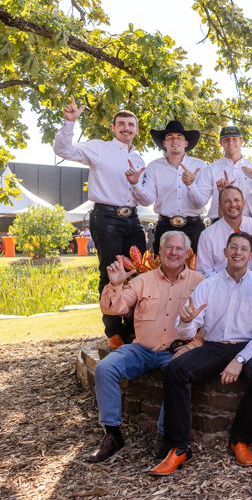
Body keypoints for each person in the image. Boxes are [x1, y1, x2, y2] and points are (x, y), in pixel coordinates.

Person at [149, 232, 252, 475]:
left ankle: (240, 439)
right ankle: (179, 447)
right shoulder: (208, 285)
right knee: (176, 370)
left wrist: (239, 360)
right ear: (225, 252)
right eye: (233, 247)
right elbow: (186, 326)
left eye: (243, 249)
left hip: (248, 346)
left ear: (251, 256)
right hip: (214, 346)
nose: (238, 252)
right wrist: (187, 323)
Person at [90, 231, 203, 463]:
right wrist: (115, 284)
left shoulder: (200, 282)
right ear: (159, 252)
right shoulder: (142, 280)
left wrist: (195, 344)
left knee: (177, 375)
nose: (173, 252)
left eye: (178, 249)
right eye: (168, 248)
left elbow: (210, 321)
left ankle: (165, 435)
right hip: (141, 349)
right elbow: (116, 309)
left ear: (187, 253)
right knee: (105, 369)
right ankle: (112, 434)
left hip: (175, 351)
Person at [54, 96, 146, 349]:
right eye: (122, 124)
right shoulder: (98, 148)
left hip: (133, 218)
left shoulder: (139, 159)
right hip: (107, 217)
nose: (127, 128)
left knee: (140, 272)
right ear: (114, 128)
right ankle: (114, 332)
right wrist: (69, 123)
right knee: (111, 273)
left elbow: (143, 194)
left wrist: (137, 184)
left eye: (131, 125)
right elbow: (64, 150)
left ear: (136, 130)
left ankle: (134, 329)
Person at [133, 120, 207, 254]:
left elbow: (200, 203)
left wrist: (191, 185)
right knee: (162, 271)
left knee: (197, 271)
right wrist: (135, 184)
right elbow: (147, 200)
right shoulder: (154, 167)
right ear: (164, 143)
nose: (175, 141)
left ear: (186, 143)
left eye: (179, 137)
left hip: (194, 226)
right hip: (165, 226)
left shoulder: (200, 166)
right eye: (170, 137)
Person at [189, 126, 252, 222]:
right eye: (226, 140)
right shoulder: (211, 169)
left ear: (241, 141)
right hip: (219, 222)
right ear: (221, 142)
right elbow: (199, 203)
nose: (231, 142)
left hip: (248, 222)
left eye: (234, 139)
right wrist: (191, 185)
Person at [196, 185, 252, 277]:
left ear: (243, 203)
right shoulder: (207, 235)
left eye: (236, 200)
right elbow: (203, 271)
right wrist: (226, 284)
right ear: (220, 205)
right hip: (219, 287)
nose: (232, 204)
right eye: (227, 201)